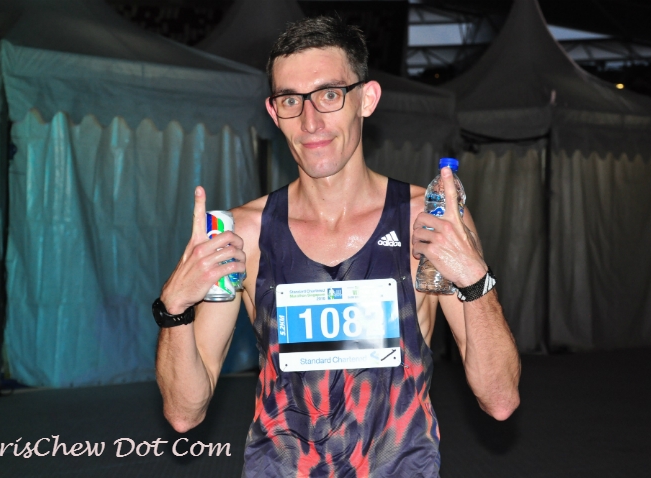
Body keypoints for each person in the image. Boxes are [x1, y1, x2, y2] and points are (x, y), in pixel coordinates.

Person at [154, 16, 520, 477]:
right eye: (291, 100)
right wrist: (174, 309)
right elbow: (184, 413)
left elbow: (500, 400)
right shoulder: (242, 233)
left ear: (366, 99)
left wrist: (476, 282)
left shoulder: (427, 221)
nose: (310, 122)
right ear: (274, 112)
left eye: (329, 95)